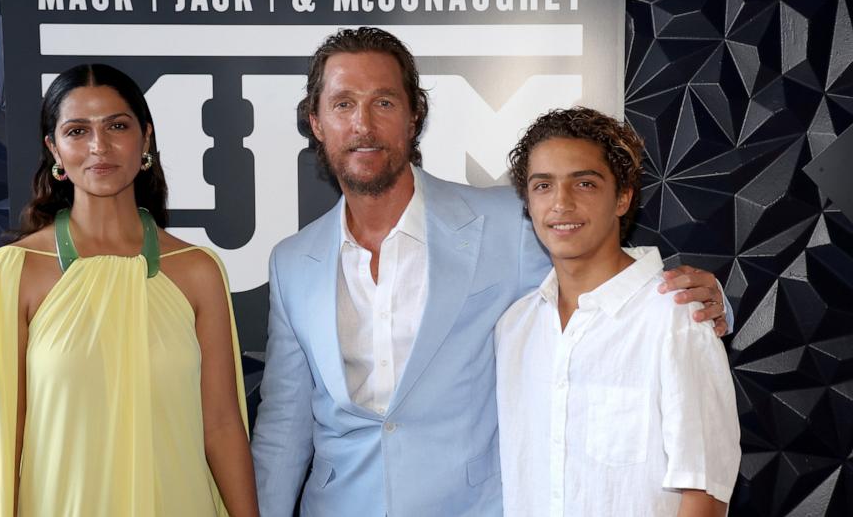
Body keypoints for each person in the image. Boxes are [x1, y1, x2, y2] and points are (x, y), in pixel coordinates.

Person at [250, 27, 732, 516]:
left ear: (415, 115)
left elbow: (592, 264)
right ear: (315, 121)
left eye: (384, 103)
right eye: (343, 104)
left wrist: (699, 303)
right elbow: (283, 430)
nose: (363, 125)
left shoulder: (506, 221)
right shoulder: (292, 263)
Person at [0, 64, 259, 517]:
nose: (99, 146)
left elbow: (221, 425)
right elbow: (1, 440)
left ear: (146, 138)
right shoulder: (14, 272)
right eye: (78, 131)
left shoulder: (198, 270)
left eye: (117, 126)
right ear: (54, 150)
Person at [496, 107, 740, 516]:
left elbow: (706, 495)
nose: (561, 203)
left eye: (585, 183)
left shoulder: (676, 317)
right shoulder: (515, 329)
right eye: (543, 186)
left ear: (623, 197)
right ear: (527, 202)